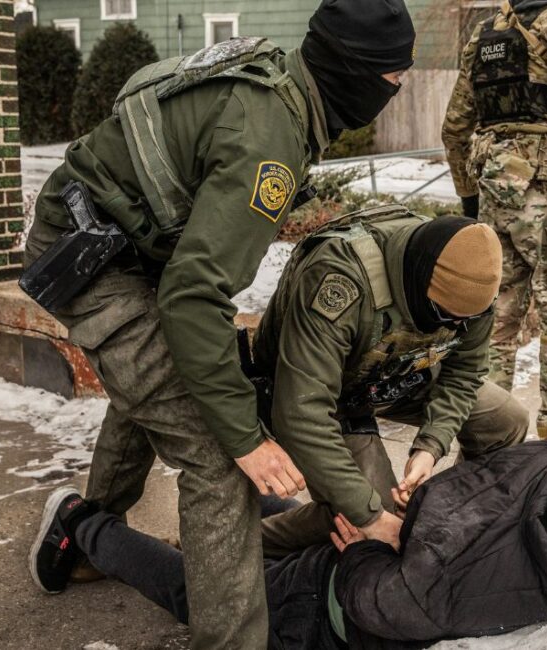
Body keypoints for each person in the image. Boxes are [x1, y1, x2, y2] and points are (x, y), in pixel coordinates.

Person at [21, 1, 415, 646]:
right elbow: (193, 298)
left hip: (127, 240)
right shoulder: (270, 142)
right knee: (220, 463)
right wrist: (245, 440)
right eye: (391, 82)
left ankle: (86, 533)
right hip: (91, 258)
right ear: (353, 72)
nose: (392, 96)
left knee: (172, 382)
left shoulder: (281, 84)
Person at [30, 436, 547, 648]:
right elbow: (384, 603)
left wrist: (392, 533)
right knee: (196, 593)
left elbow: (471, 486)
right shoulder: (529, 583)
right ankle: (81, 524)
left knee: (296, 529)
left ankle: (237, 495)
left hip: (389, 539)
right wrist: (371, 552)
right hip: (326, 607)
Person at [248, 206, 528, 557]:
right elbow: (301, 412)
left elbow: (464, 373)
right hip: (324, 395)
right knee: (369, 514)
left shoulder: (473, 289)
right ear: (420, 281)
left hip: (395, 374)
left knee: (505, 421)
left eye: (468, 320)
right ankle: (243, 545)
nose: (458, 327)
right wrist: (369, 516)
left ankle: (451, 519)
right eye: (446, 316)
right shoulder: (340, 279)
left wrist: (430, 446)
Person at [441, 0, 547, 450]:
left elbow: (455, 126)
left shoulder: (484, 35)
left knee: (494, 319)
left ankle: (488, 435)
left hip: (496, 188)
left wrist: (467, 192)